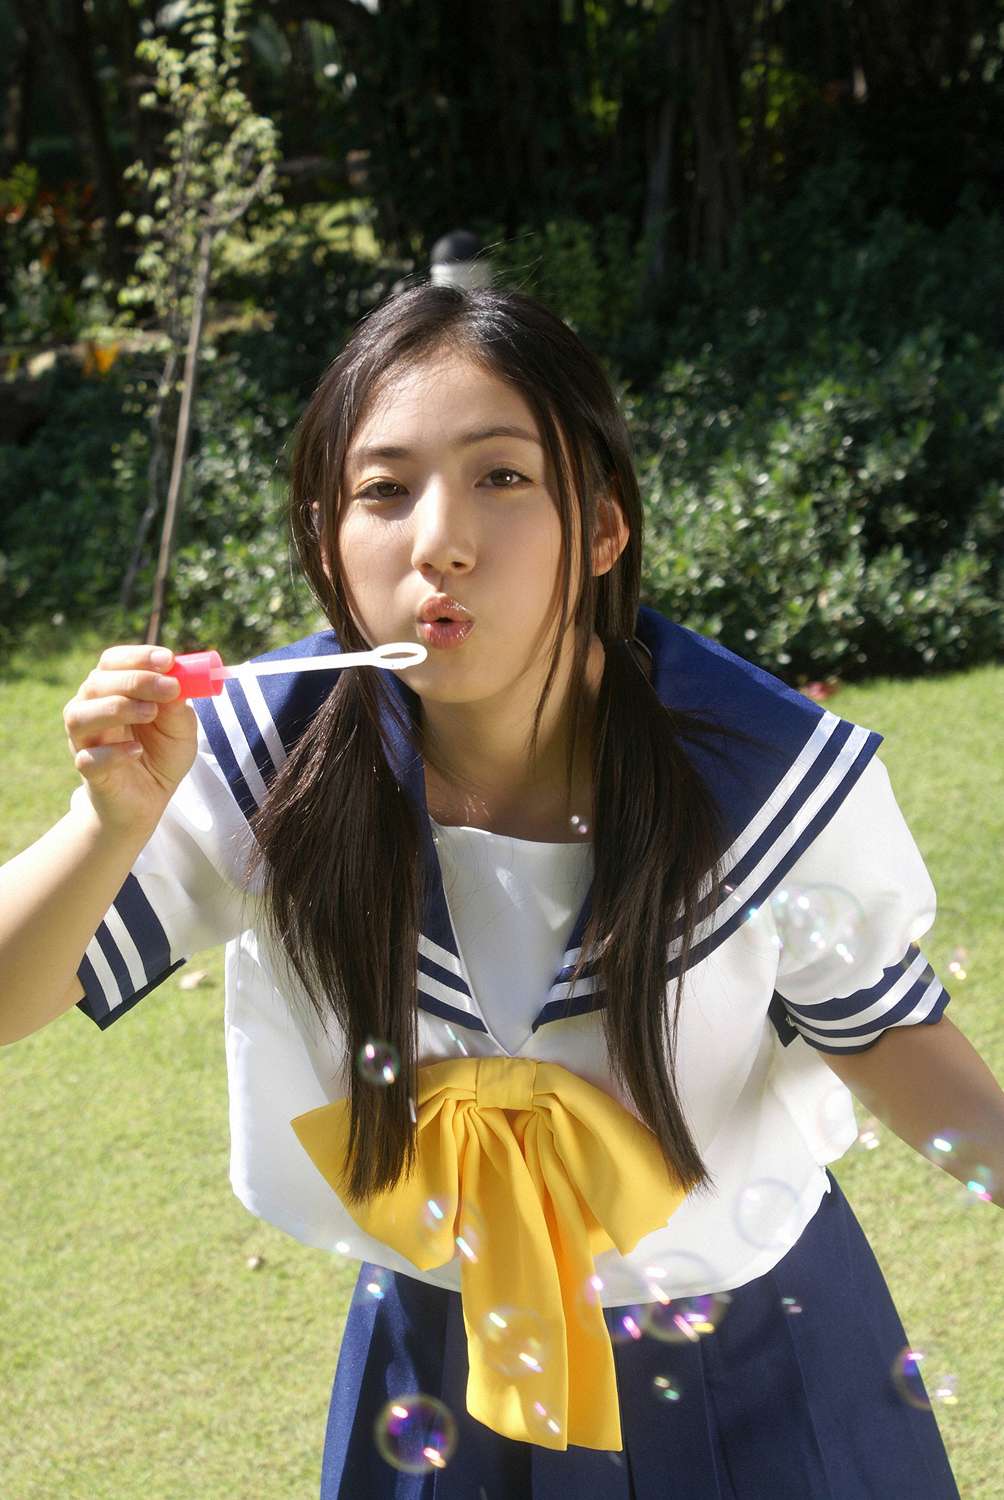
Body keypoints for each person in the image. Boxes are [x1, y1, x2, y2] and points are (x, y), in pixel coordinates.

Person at [1, 283, 1000, 1500]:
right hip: (441, 1355)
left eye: (502, 477)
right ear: (325, 541)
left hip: (759, 1358)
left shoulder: (757, 772)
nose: (439, 539)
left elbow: (882, 1028)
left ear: (602, 527)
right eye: (383, 490)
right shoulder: (266, 760)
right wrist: (109, 824)